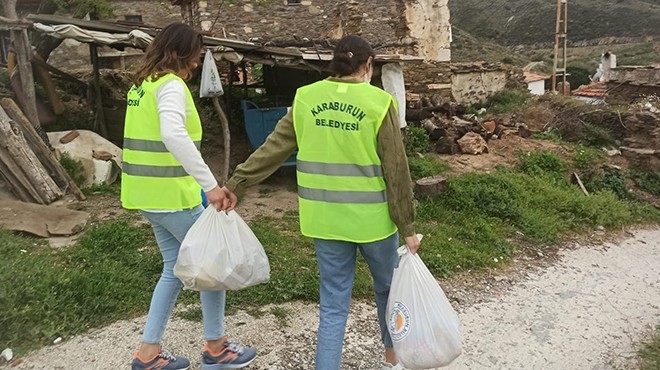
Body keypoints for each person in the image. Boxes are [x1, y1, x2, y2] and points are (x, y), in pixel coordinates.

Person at [220, 35, 421, 370]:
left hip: (324, 221)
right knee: (388, 293)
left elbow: (273, 149)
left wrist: (236, 183)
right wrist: (408, 226)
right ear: (367, 65)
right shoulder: (379, 102)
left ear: (334, 64)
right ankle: (394, 363)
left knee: (332, 305)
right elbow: (396, 170)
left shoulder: (306, 98)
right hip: (373, 223)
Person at [121, 22, 256, 370]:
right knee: (213, 265)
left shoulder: (143, 85)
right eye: (194, 56)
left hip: (147, 195)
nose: (196, 64)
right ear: (179, 52)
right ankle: (216, 348)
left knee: (174, 269)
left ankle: (148, 353)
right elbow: (172, 134)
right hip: (170, 197)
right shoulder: (170, 86)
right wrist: (210, 186)